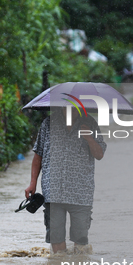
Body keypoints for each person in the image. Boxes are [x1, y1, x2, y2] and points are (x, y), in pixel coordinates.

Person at [25, 107, 106, 255]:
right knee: (56, 241)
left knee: (81, 243)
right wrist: (32, 183)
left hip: (81, 192)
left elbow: (99, 154)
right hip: (53, 191)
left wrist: (89, 138)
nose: (71, 110)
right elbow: (38, 155)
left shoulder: (90, 124)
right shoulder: (48, 123)